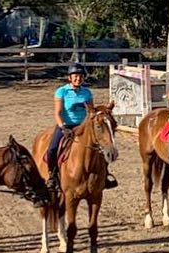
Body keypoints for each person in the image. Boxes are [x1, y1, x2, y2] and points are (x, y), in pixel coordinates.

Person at [48, 62, 117, 191]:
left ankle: (105, 175)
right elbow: (57, 113)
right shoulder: (61, 92)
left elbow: (91, 111)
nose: (78, 78)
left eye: (81, 76)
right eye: (75, 76)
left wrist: (104, 111)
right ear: (70, 77)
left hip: (84, 125)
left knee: (102, 147)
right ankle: (52, 176)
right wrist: (63, 127)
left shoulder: (86, 93)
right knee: (52, 149)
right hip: (66, 125)